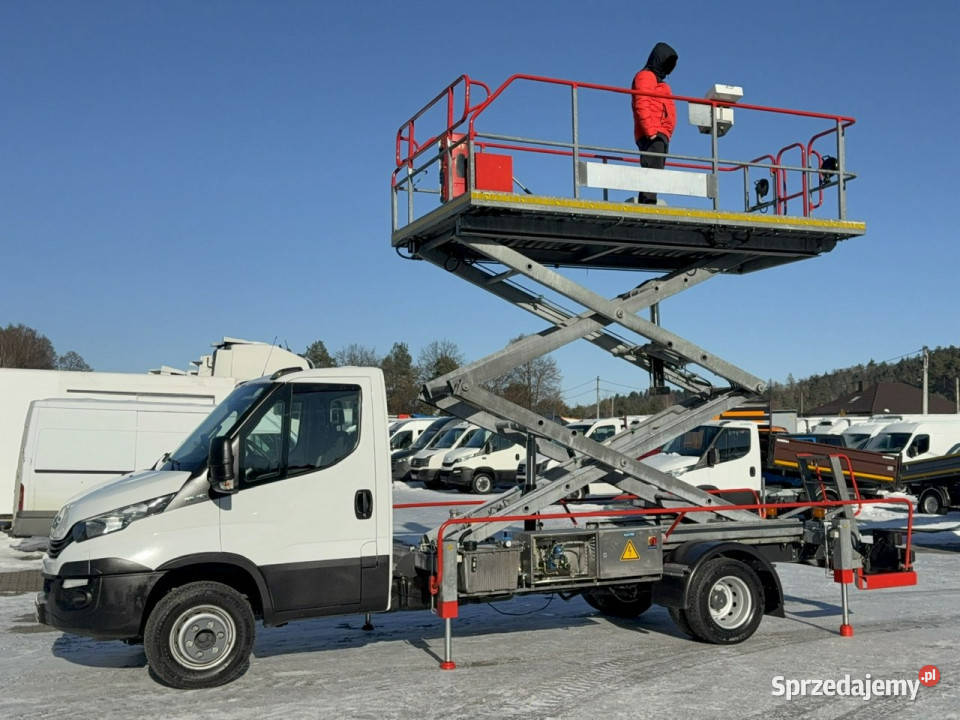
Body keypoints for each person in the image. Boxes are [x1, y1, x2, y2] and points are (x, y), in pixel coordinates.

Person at [631, 42, 678, 204]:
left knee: (656, 172)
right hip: (652, 134)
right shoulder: (645, 76)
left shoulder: (661, 83)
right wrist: (650, 131)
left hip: (661, 134)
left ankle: (650, 202)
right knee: (652, 171)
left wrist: (667, 133)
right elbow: (641, 102)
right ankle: (648, 204)